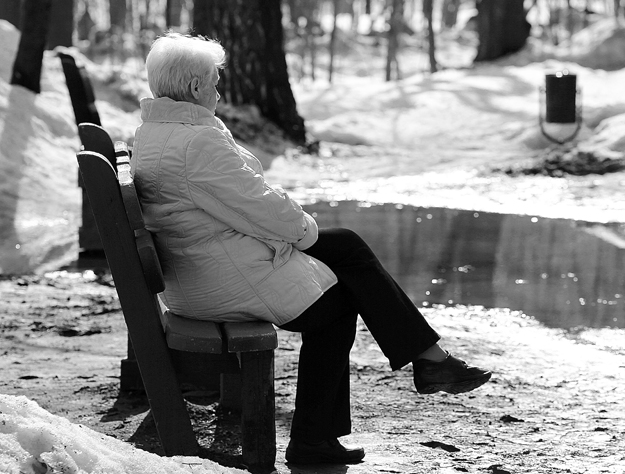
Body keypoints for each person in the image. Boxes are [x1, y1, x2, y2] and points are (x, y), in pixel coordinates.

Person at [131, 32, 491, 467]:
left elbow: (240, 203)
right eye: (213, 81)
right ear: (193, 88)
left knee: (347, 253)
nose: (219, 91)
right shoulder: (196, 143)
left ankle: (424, 363)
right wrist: (302, 232)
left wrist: (299, 231)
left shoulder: (157, 134)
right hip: (217, 276)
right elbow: (260, 207)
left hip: (197, 272)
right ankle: (403, 377)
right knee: (339, 302)